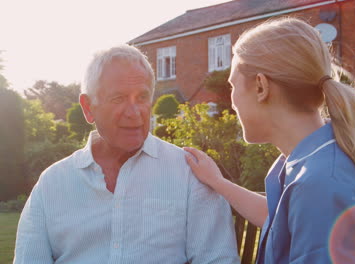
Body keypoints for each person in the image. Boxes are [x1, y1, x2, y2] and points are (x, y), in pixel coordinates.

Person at [184, 18, 355, 264]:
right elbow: (281, 220)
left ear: (261, 86)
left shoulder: (321, 182)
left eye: (232, 86)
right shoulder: (310, 161)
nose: (232, 101)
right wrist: (218, 182)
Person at [14, 45, 239, 264]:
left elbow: (217, 258)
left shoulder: (190, 172)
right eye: (118, 99)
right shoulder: (53, 183)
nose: (134, 113)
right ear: (88, 107)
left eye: (142, 98)